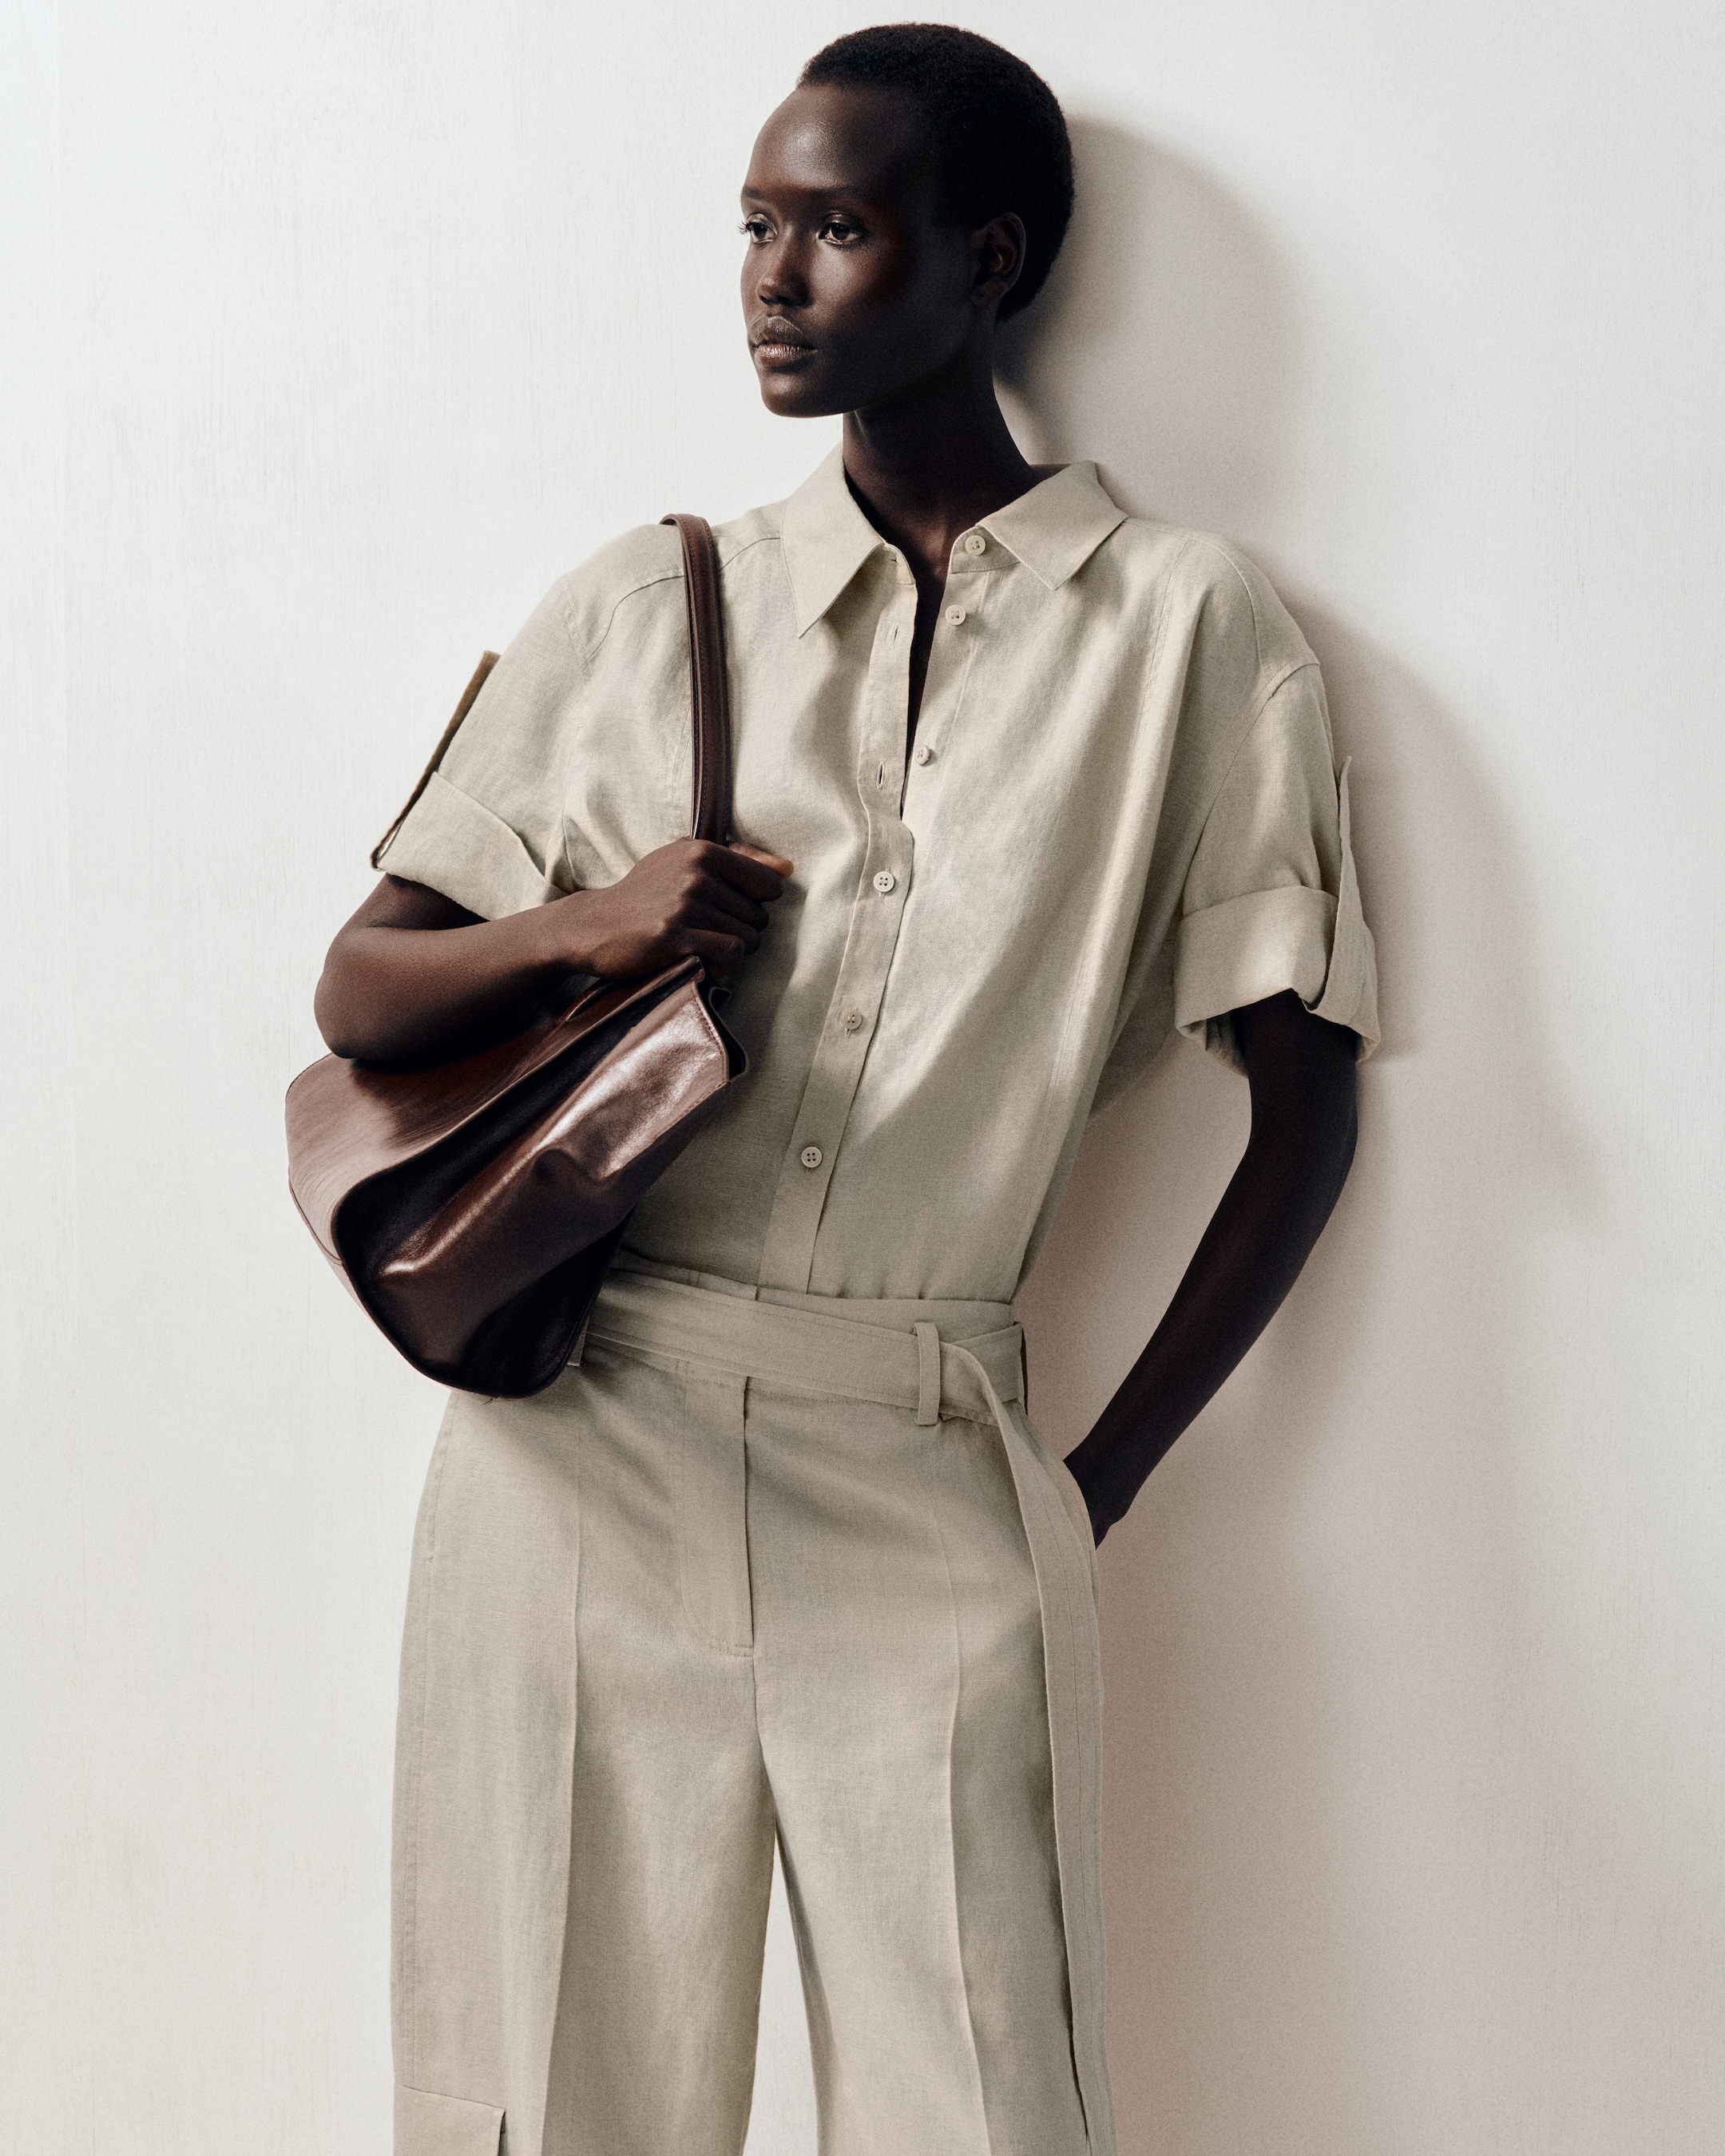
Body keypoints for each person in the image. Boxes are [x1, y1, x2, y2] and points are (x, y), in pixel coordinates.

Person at [315, 24, 1378, 2156]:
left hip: (933, 1448)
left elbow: (1304, 1104)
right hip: (583, 1453)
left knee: (986, 2101)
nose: (771, 279)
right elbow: (364, 987)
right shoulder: (646, 599)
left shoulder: (1185, 633)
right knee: (555, 2097)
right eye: (755, 225)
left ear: (987, 259)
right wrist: (595, 920)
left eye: (836, 227)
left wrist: (1095, 1483)